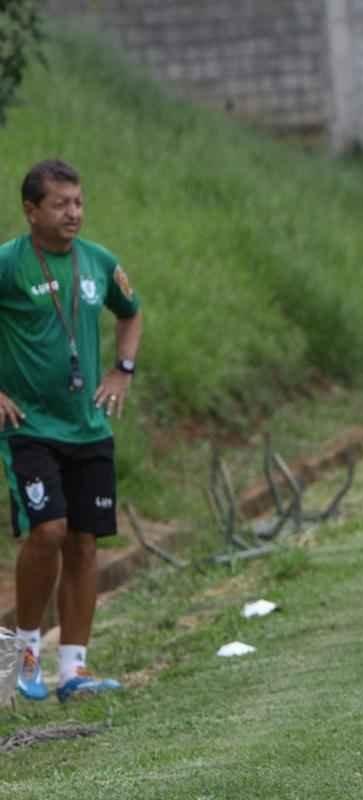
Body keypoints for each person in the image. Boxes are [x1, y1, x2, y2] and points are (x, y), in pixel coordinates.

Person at [2, 160, 143, 703]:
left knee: (85, 541)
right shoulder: (9, 264)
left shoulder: (99, 262)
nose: (73, 213)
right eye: (60, 204)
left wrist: (122, 370)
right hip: (29, 426)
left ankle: (74, 670)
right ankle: (23, 653)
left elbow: (130, 313)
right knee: (49, 531)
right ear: (31, 210)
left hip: (88, 427)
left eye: (78, 202)